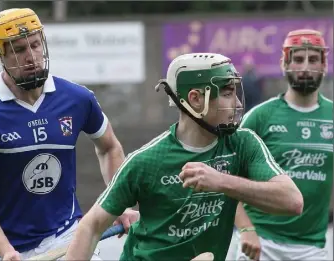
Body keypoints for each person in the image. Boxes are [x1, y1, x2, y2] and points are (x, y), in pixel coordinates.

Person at [64, 52, 304, 261]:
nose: (237, 102)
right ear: (195, 99)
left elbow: (292, 201)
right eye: (227, 93)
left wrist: (221, 181)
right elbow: (91, 226)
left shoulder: (243, 144)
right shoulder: (145, 161)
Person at [0, 8, 139, 261]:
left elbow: (109, 147)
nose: (31, 57)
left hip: (68, 238)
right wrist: (6, 251)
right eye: (19, 50)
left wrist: (118, 204)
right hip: (8, 250)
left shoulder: (77, 99)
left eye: (35, 45)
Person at [233, 29, 333, 261]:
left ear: (324, 65)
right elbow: (226, 177)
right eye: (298, 59)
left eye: (313, 59)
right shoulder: (259, 117)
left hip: (312, 248)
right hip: (260, 244)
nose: (306, 66)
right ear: (284, 63)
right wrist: (246, 229)